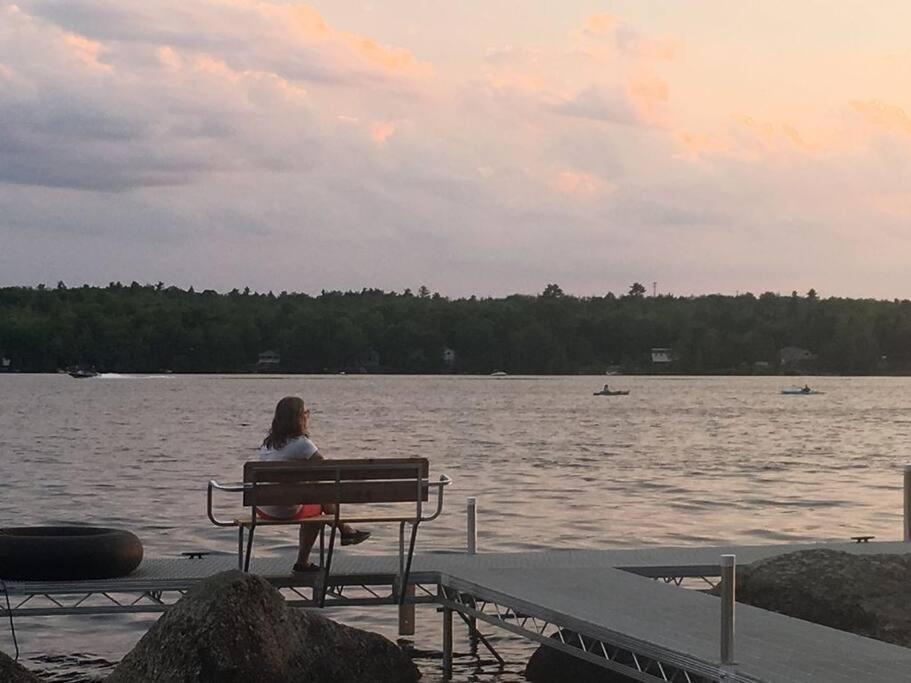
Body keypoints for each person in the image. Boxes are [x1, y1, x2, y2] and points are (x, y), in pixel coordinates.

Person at [259, 396, 370, 573]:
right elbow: (325, 469)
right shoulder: (302, 444)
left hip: (263, 508)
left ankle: (346, 530)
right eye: (305, 412)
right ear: (299, 418)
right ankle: (305, 561)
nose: (307, 416)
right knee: (318, 504)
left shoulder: (267, 444)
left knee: (314, 490)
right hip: (286, 510)